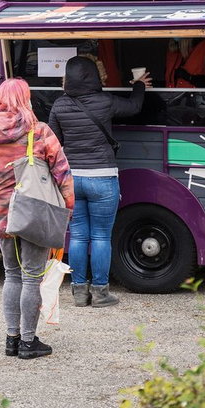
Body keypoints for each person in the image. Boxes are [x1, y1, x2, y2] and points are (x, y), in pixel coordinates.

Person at [0, 78, 74, 360]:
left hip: (1, 217)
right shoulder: (39, 132)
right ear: (26, 98)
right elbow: (62, 174)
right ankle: (29, 343)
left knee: (11, 274)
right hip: (35, 214)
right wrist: (67, 208)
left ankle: (11, 339)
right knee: (31, 278)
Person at [48, 57, 149, 308]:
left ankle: (79, 292)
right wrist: (139, 85)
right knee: (102, 237)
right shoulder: (106, 103)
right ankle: (101, 293)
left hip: (73, 179)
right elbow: (135, 107)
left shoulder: (59, 106)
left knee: (79, 236)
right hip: (102, 177)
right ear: (95, 76)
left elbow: (54, 142)